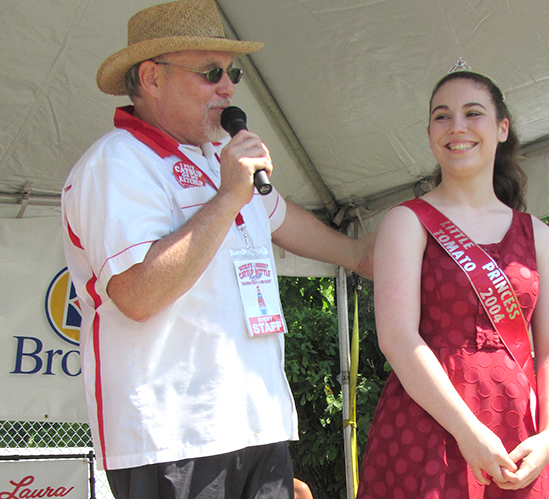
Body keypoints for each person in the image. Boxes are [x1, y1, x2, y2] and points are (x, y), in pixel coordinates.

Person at [60, 0, 374, 498]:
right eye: (210, 73)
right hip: (173, 437)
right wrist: (228, 196)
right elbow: (138, 294)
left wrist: (358, 254)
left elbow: (280, 217)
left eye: (233, 72)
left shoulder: (217, 160)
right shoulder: (117, 162)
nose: (227, 87)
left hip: (258, 421)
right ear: (151, 78)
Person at [356, 68, 549, 498]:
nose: (456, 127)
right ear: (430, 131)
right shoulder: (407, 221)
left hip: (519, 434)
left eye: (473, 113)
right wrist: (467, 432)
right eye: (442, 116)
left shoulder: (538, 235)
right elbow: (397, 339)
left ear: (501, 128)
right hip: (430, 428)